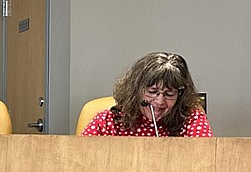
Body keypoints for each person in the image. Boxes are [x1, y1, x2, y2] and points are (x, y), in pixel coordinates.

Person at [81, 52, 211, 137]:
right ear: (136, 90)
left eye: (169, 94)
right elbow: (79, 157)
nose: (160, 101)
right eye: (152, 92)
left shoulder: (191, 119)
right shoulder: (109, 121)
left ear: (180, 95)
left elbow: (205, 159)